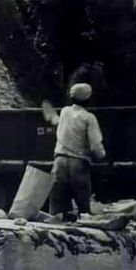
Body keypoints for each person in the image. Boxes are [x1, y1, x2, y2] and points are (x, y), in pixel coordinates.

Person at [49, 82, 106, 219]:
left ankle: (56, 228)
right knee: (82, 202)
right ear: (88, 99)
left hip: (59, 161)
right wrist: (102, 156)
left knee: (58, 200)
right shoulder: (88, 118)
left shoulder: (64, 112)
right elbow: (96, 147)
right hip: (78, 163)